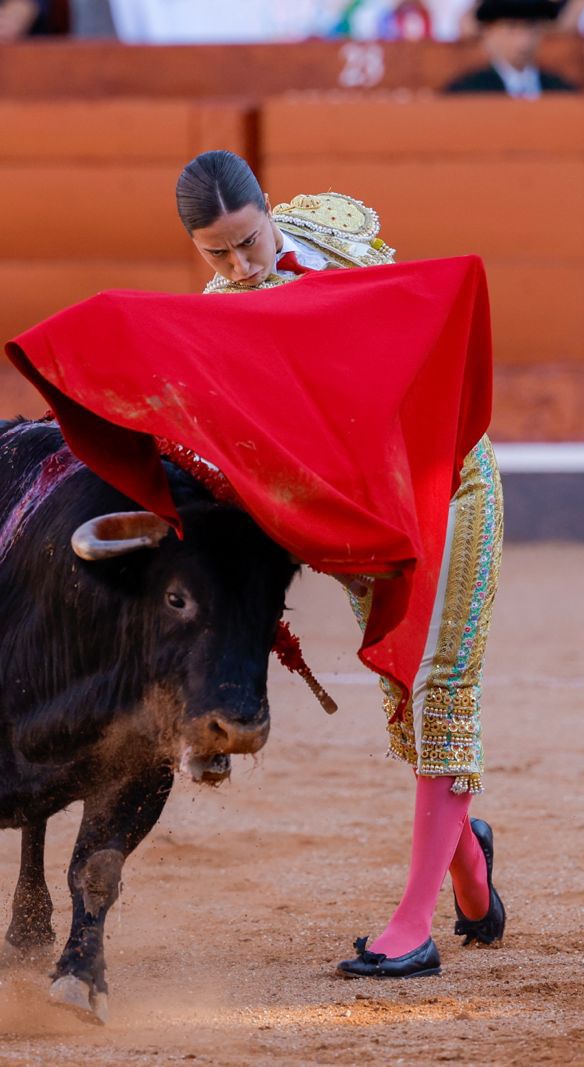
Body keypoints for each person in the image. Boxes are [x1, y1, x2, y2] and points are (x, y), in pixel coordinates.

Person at [176, 150, 506, 979]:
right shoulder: (223, 322)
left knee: (440, 684)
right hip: (370, 515)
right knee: (406, 696)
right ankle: (471, 871)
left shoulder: (333, 225)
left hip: (452, 478)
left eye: (249, 242)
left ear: (270, 211)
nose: (240, 266)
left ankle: (413, 924)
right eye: (216, 254)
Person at [444, 0, 575, 96]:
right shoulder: (468, 91)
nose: (524, 40)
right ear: (489, 34)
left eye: (531, 28)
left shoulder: (561, 90)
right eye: (511, 28)